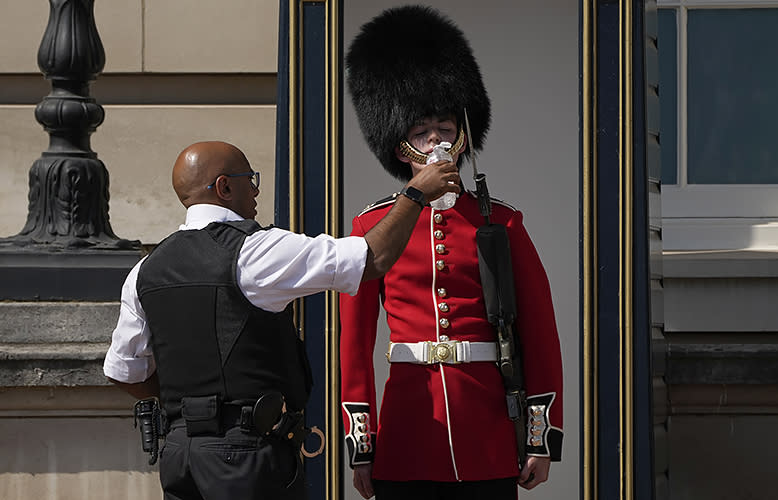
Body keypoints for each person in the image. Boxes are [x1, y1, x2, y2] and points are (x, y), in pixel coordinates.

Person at [102, 140, 460, 500]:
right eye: (249, 180)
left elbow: (124, 372)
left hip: (180, 456)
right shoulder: (255, 251)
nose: (256, 190)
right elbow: (373, 258)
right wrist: (414, 195)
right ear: (225, 187)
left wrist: (193, 405)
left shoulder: (144, 270)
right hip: (244, 456)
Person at [340, 6, 564, 500]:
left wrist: (538, 437)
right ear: (402, 149)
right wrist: (362, 443)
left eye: (445, 127)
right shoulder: (372, 226)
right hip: (408, 428)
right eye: (422, 132)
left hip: (484, 426)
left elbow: (540, 334)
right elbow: (355, 345)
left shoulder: (502, 222)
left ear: (463, 139)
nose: (437, 140)